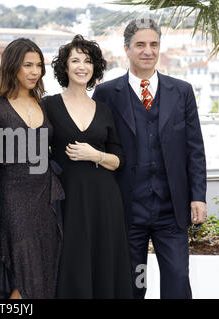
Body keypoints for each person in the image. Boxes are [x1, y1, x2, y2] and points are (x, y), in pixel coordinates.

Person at [92, 18, 207, 299]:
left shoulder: (181, 91)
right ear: (126, 49)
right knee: (133, 284)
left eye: (154, 44)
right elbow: (98, 146)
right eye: (140, 44)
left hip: (171, 209)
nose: (148, 51)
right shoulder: (107, 93)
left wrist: (198, 196)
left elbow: (195, 149)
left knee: (177, 279)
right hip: (128, 209)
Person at [43, 35, 133, 298]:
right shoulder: (48, 105)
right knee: (71, 261)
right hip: (66, 198)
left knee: (104, 261)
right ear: (65, 67)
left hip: (104, 199)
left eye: (88, 61)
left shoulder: (103, 109)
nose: (82, 66)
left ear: (94, 68)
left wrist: (95, 155)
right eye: (75, 60)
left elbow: (118, 160)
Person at [0, 38, 65, 299]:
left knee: (46, 265)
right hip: (12, 198)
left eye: (38, 65)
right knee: (23, 269)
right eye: (28, 65)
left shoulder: (43, 104)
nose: (35, 71)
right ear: (13, 66)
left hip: (47, 199)